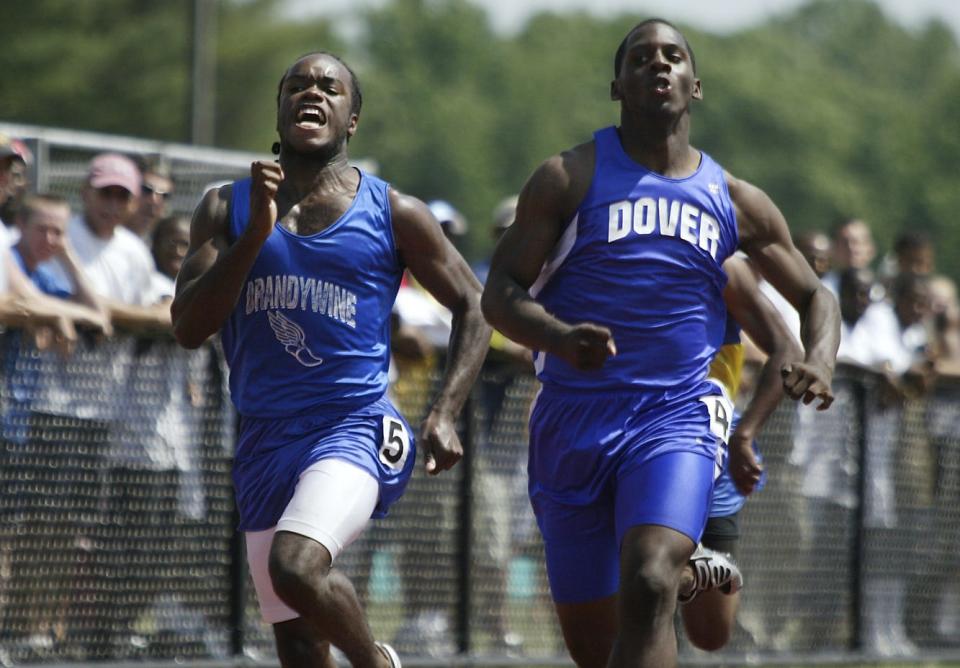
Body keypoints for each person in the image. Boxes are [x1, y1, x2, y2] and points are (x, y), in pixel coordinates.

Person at [481, 19, 840, 668]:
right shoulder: (568, 177)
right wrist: (559, 337)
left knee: (650, 580)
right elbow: (498, 293)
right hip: (571, 423)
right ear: (616, 85)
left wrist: (818, 358)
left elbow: (818, 296)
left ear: (694, 85)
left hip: (673, 417)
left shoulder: (734, 199)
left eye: (673, 56)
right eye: (641, 58)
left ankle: (691, 563)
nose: (659, 64)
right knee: (601, 648)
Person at [171, 51, 490, 668]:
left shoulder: (394, 213)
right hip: (264, 437)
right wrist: (256, 237)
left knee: (295, 565)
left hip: (354, 424)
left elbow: (474, 306)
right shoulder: (225, 207)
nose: (311, 94)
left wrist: (447, 412)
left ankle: (375, 662)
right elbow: (187, 328)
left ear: (352, 121)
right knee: (297, 639)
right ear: (281, 108)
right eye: (296, 85)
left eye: (329, 87)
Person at [677, 255, 803, 651]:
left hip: (714, 440)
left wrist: (745, 434)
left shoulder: (727, 270)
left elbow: (783, 347)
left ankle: (675, 572)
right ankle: (657, 574)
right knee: (643, 582)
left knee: (711, 632)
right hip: (644, 433)